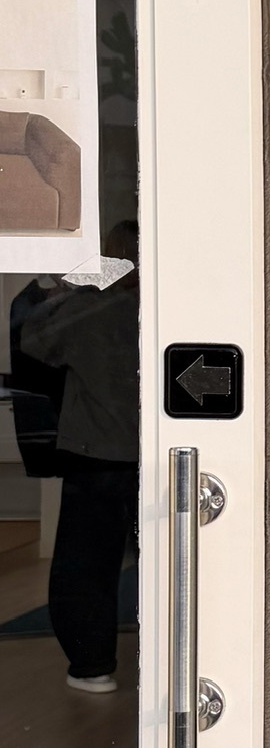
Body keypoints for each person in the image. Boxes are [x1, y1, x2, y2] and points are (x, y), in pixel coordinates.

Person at [17, 219, 139, 692]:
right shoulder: (167, 306)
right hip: (160, 453)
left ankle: (93, 666)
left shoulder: (89, 310)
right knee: (171, 561)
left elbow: (32, 340)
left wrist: (73, 284)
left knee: (85, 567)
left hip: (96, 452)